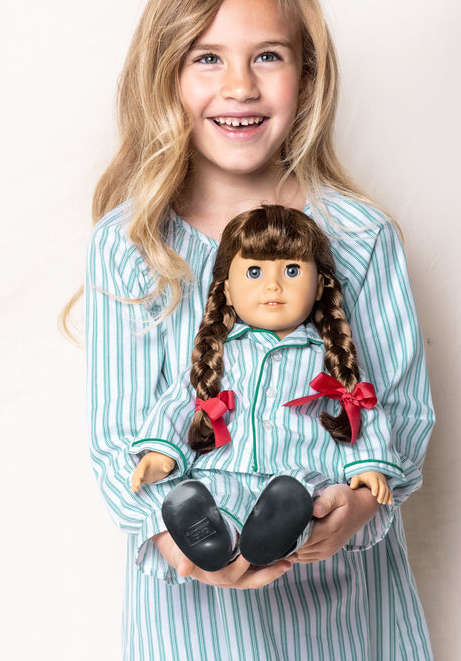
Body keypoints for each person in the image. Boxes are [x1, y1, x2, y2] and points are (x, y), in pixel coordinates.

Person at [81, 0, 434, 660]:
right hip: (191, 622)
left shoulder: (360, 237)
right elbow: (119, 436)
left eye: (267, 56)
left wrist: (357, 506)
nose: (239, 86)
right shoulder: (132, 243)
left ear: (307, 76)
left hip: (339, 612)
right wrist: (171, 537)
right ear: (166, 75)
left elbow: (401, 410)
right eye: (207, 58)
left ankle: (286, 514)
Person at [128, 205, 401, 572]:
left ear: (319, 285)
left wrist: (367, 467)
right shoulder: (220, 354)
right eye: (254, 272)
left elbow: (357, 409)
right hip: (228, 470)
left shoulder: (330, 357)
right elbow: (182, 401)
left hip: (301, 469)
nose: (273, 285)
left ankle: (280, 532)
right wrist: (163, 453)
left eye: (292, 271)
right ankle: (211, 535)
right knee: (216, 497)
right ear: (227, 289)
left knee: (308, 500)